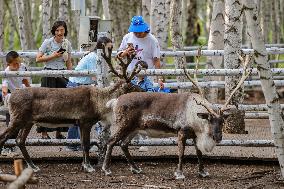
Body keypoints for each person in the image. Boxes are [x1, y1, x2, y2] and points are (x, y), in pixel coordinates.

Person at [65, 36, 113, 151]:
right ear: (102, 47)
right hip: (77, 86)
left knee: (78, 115)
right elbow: (96, 77)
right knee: (78, 115)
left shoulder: (98, 56)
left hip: (81, 86)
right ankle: (74, 144)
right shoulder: (94, 57)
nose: (110, 50)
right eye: (109, 48)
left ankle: (75, 143)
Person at [35, 20, 72, 139]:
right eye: (57, 30)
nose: (60, 32)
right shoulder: (48, 42)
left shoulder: (67, 43)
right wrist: (53, 56)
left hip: (61, 75)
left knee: (62, 104)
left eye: (62, 30)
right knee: (45, 105)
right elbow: (38, 59)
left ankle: (59, 132)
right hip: (48, 74)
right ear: (54, 31)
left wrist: (70, 75)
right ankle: (44, 132)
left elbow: (69, 61)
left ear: (65, 30)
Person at [1, 51, 30, 155]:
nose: (18, 65)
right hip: (12, 97)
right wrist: (5, 94)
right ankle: (7, 145)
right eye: (15, 64)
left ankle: (12, 145)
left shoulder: (23, 67)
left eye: (19, 62)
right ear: (8, 64)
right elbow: (4, 87)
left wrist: (30, 91)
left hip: (21, 97)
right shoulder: (6, 72)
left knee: (19, 122)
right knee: (11, 123)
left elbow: (25, 81)